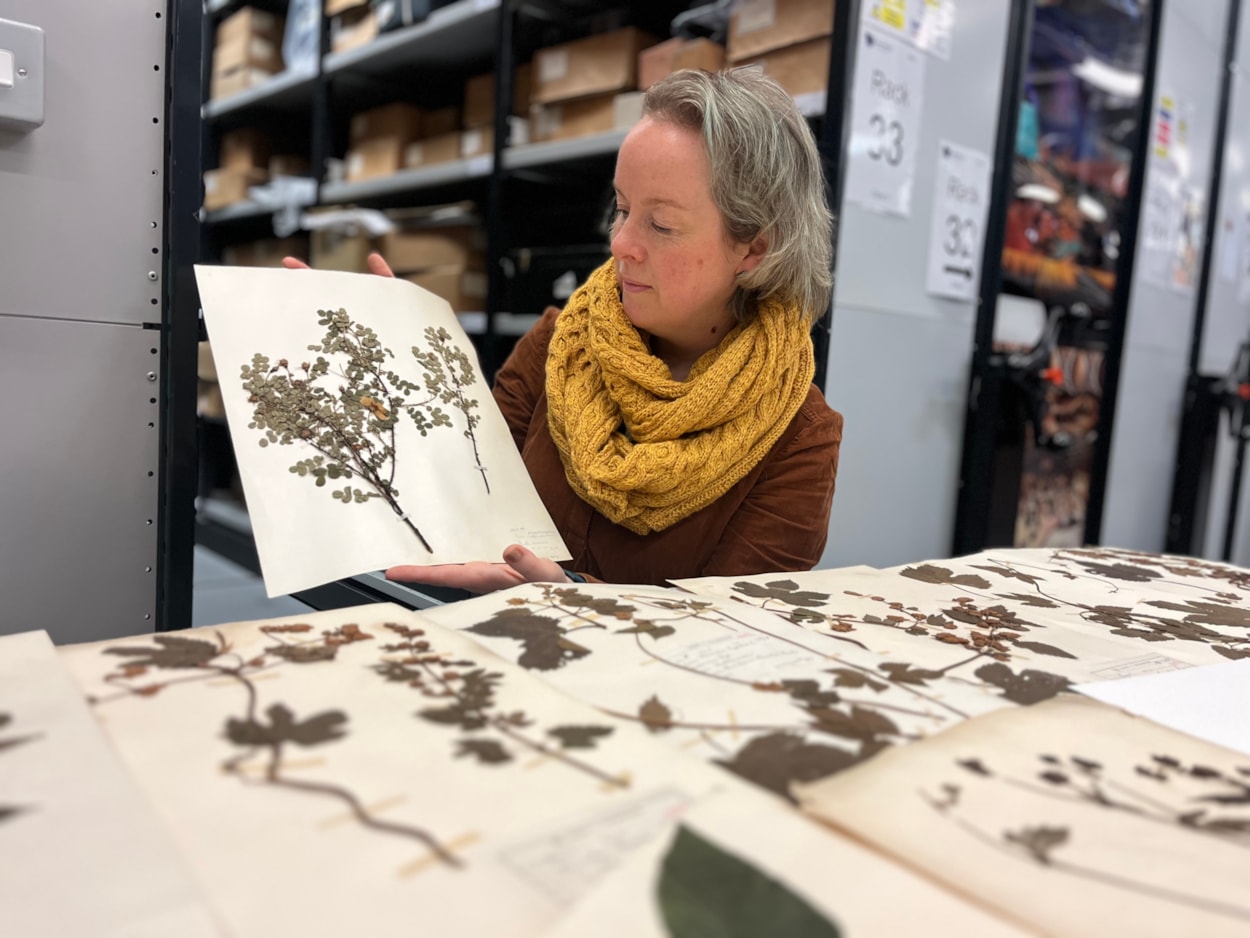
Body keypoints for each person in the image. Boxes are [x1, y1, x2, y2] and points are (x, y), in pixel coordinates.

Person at [288, 67, 843, 592]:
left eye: (662, 223)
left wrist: (575, 598)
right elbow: (459, 488)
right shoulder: (560, 343)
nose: (620, 243)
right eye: (622, 209)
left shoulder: (799, 439)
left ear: (753, 249)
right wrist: (394, 370)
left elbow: (737, 632)